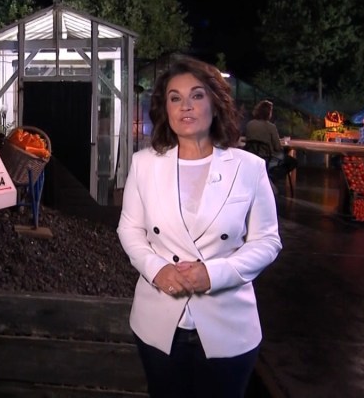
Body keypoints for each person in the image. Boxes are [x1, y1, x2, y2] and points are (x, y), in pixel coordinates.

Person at [117, 56, 282, 398]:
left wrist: (214, 274)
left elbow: (267, 241)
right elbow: (129, 230)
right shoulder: (144, 164)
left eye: (196, 95)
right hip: (158, 321)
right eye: (175, 98)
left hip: (229, 325)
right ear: (165, 108)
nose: (186, 106)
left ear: (215, 103)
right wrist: (157, 269)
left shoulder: (249, 168)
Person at [244, 100, 297, 179]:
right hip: (267, 159)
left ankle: (265, 178)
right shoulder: (271, 127)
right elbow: (277, 148)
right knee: (292, 161)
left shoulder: (249, 124)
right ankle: (270, 178)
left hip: (252, 159)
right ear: (268, 113)